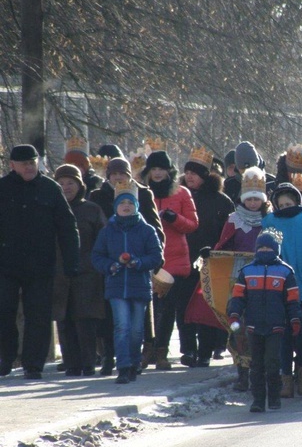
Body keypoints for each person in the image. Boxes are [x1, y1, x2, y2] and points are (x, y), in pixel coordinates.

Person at [0, 145, 80, 380]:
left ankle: (33, 364)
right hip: (6, 265)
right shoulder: (2, 188)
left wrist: (71, 261)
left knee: (38, 316)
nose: (29, 167)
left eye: (32, 162)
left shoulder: (50, 189)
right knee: (4, 312)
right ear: (12, 165)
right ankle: (6, 357)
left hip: (40, 265)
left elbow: (67, 227)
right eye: (24, 163)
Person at [89, 156, 165, 375]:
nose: (125, 206)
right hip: (115, 283)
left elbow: (156, 248)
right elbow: (98, 253)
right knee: (119, 325)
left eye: (129, 203)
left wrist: (141, 262)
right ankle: (122, 365)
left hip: (138, 282)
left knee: (136, 329)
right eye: (114, 174)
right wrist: (109, 266)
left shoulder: (145, 228)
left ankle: (134, 360)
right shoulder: (106, 226)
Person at [227, 229, 302, 412]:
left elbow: (292, 300)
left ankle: (274, 397)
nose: (265, 251)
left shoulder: (285, 272)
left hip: (276, 325)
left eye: (269, 247)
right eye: (262, 247)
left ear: (276, 249)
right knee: (256, 364)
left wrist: (295, 319)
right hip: (253, 325)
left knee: (272, 362)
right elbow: (237, 297)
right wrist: (235, 314)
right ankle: (258, 400)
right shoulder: (247, 272)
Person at [262, 182, 302, 397]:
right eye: (281, 204)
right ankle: (286, 379)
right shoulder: (270, 222)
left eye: (289, 203)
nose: (285, 207)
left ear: (297, 202)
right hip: (278, 284)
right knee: (284, 334)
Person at [139, 150, 199, 370]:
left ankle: (162, 351)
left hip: (174, 259)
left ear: (168, 171)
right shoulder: (141, 193)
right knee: (149, 309)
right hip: (146, 256)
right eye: (153, 169)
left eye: (161, 169)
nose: (157, 173)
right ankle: (148, 350)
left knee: (168, 308)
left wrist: (175, 218)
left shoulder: (181, 193)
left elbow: (192, 224)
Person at [214, 166, 271, 391]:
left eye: (257, 198)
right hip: (239, 278)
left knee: (262, 324)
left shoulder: (270, 219)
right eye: (250, 198)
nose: (253, 203)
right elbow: (224, 246)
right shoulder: (234, 219)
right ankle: (243, 372)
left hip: (265, 278)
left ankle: (263, 370)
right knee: (240, 325)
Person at [180, 148, 235, 366]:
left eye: (195, 172)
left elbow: (228, 230)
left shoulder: (221, 200)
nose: (190, 176)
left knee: (206, 306)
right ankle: (188, 350)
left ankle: (205, 350)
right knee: (183, 306)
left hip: (211, 260)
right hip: (184, 258)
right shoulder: (179, 196)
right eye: (188, 172)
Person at [51, 164, 107, 377]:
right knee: (64, 321)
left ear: (79, 185)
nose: (66, 187)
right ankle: (71, 364)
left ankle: (88, 362)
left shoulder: (91, 210)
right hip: (59, 272)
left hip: (88, 272)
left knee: (85, 321)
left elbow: (103, 240)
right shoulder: (51, 209)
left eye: (70, 183)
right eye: (61, 183)